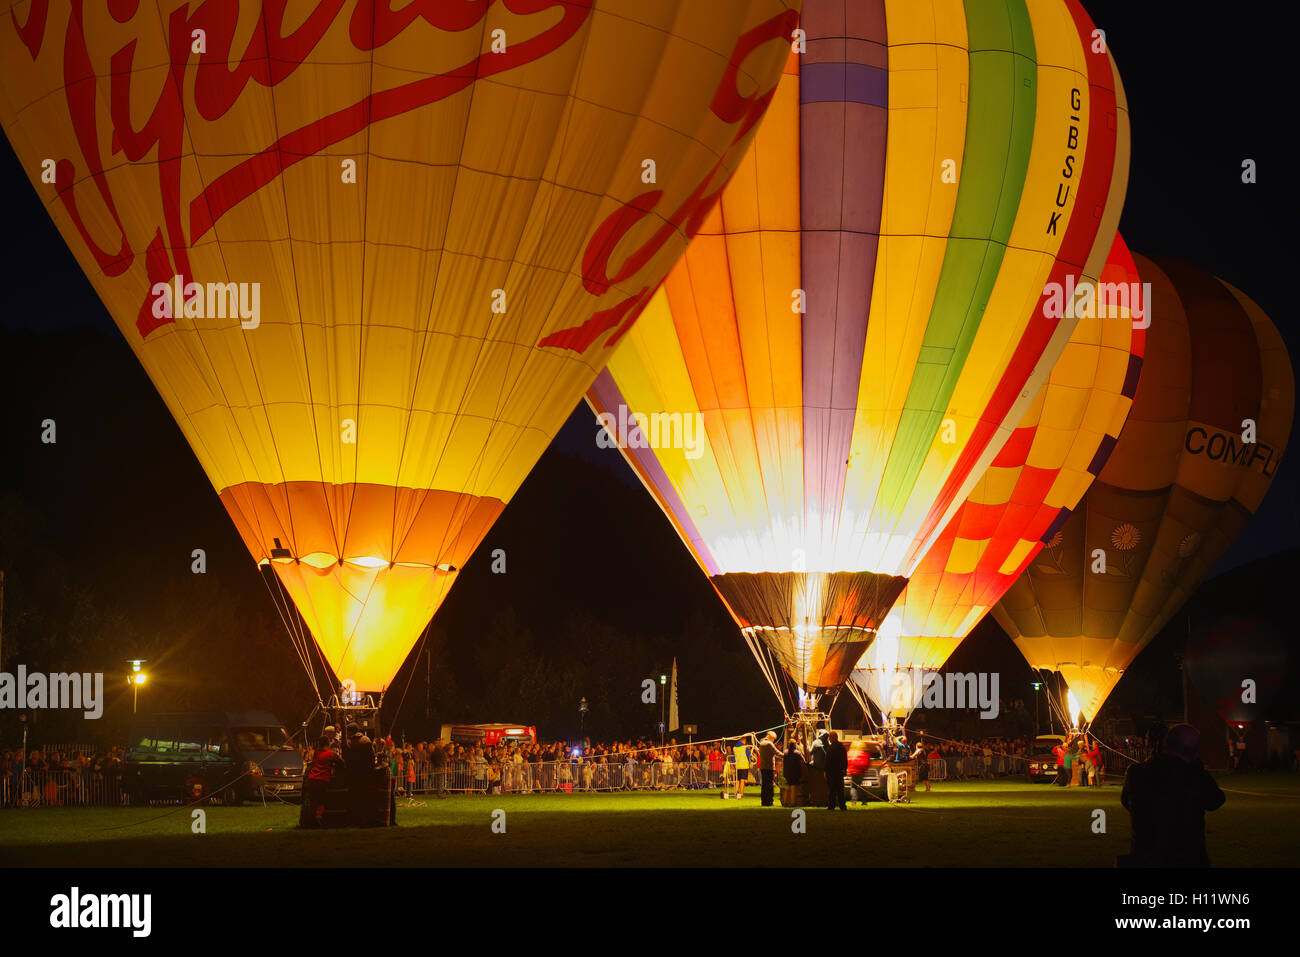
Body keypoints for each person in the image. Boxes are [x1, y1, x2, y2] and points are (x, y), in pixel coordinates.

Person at [1120, 724, 1225, 867]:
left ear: (1165, 743)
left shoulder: (1136, 772)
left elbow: (1127, 802)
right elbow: (1216, 800)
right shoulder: (1195, 776)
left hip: (1145, 858)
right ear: (1195, 751)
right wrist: (1198, 767)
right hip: (1188, 859)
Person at [301, 734, 344, 828]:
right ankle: (318, 820)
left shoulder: (316, 752)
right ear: (328, 743)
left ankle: (310, 822)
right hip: (322, 779)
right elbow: (341, 763)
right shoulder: (331, 754)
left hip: (312, 779)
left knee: (313, 801)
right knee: (321, 801)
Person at [825, 732, 848, 811]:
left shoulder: (831, 748)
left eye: (830, 737)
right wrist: (844, 769)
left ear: (833, 737)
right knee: (840, 790)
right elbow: (845, 759)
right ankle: (842, 806)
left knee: (832, 790)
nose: (829, 739)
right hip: (839, 771)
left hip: (832, 772)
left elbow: (827, 761)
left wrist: (826, 771)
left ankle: (831, 806)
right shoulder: (841, 747)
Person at [757, 732, 779, 807]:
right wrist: (787, 755)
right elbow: (777, 752)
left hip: (763, 767)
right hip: (769, 767)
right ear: (771, 737)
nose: (773, 741)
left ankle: (764, 801)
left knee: (764, 785)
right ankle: (769, 801)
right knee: (769, 785)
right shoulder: (769, 744)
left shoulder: (761, 743)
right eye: (773, 739)